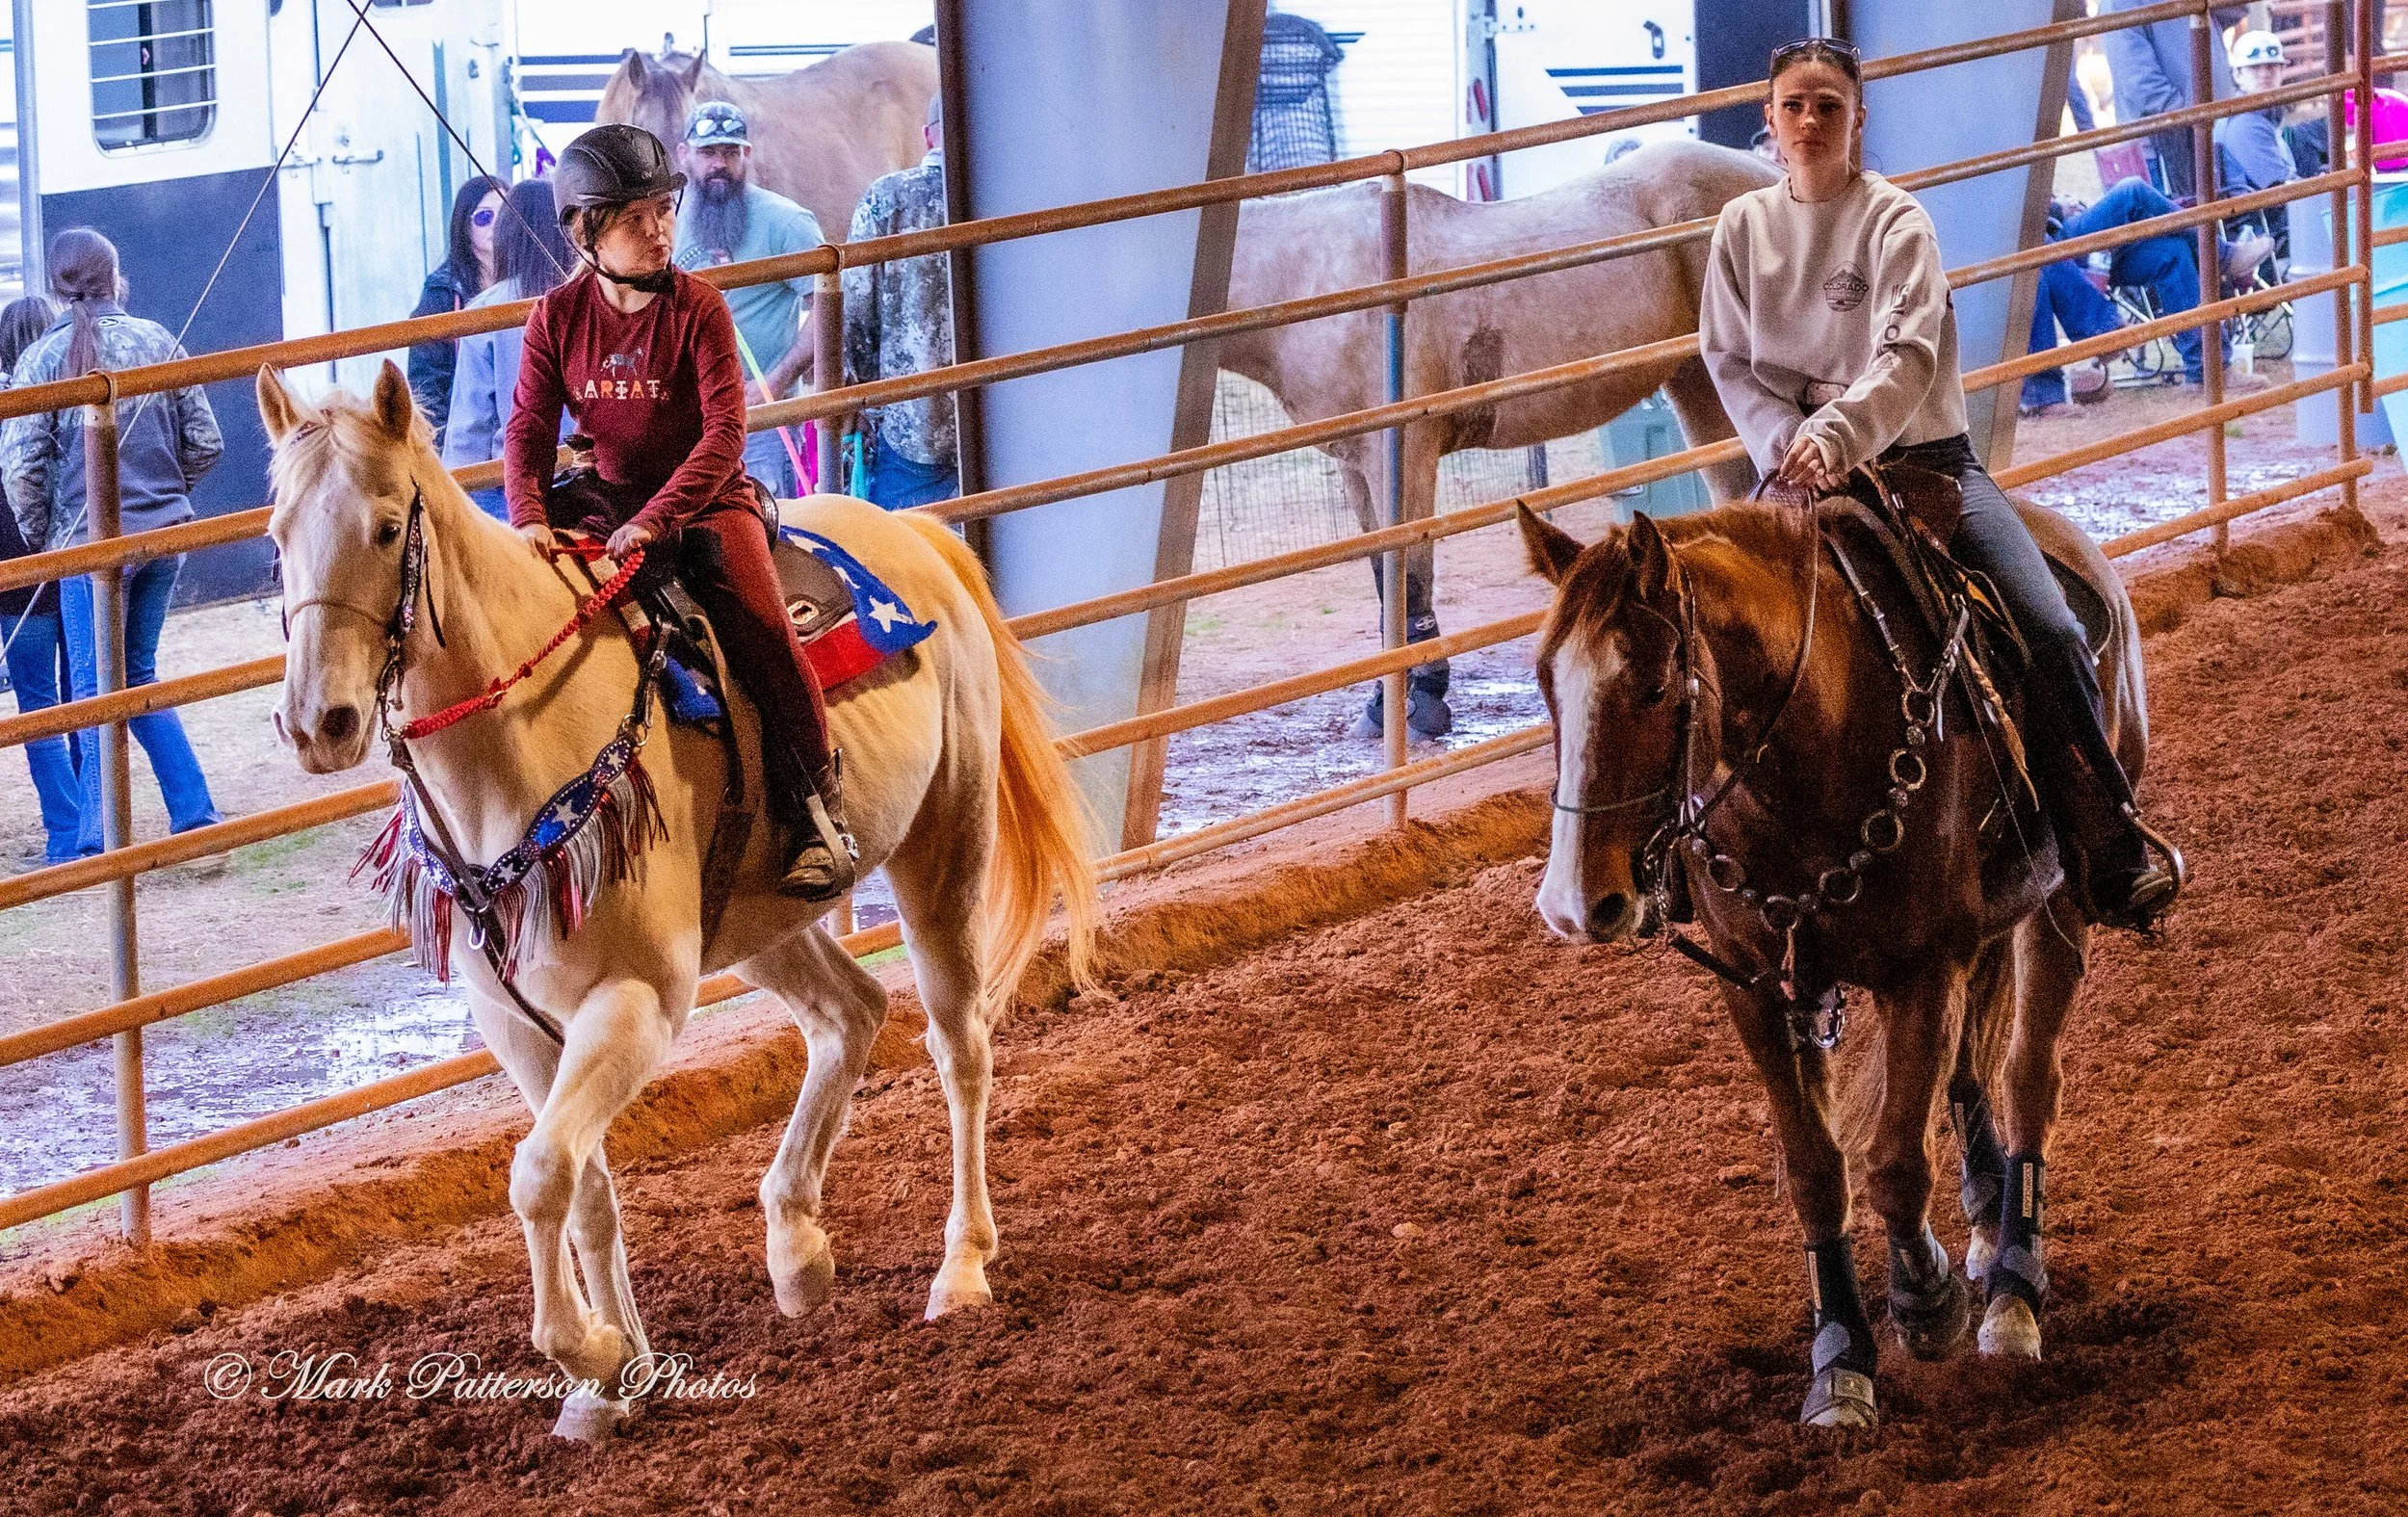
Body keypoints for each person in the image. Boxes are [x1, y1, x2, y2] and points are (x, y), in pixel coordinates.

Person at [1697, 39, 2182, 936]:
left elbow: (1908, 354)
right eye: (1794, 105)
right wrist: (1784, 444)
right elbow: (1725, 358)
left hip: (1923, 464)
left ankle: (2105, 842)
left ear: (1857, 121)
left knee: (2047, 625)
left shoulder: (1896, 224)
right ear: (1769, 118)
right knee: (1711, 642)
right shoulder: (1740, 230)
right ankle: (1692, 865)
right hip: (1793, 472)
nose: (1809, 122)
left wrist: (1832, 436)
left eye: (1828, 107)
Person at [504, 124, 854, 900]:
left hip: (705, 499)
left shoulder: (700, 308)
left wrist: (657, 518)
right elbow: (528, 429)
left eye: (665, 210)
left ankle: (817, 816)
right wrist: (528, 514)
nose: (661, 230)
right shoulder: (555, 319)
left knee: (763, 632)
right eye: (637, 218)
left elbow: (727, 435)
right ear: (586, 230)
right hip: (607, 501)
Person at [2, 229, 224, 856]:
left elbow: (21, 471)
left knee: (98, 692)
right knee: (138, 673)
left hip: (91, 552)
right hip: (165, 538)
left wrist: (52, 542)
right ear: (115, 277)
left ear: (54, 286)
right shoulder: (156, 339)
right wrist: (163, 497)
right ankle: (194, 811)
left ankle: (100, 837)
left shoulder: (41, 362)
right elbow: (207, 441)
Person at [672, 102, 824, 500]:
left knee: (771, 529)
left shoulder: (786, 221)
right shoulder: (661, 226)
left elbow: (826, 304)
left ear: (747, 155)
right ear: (683, 154)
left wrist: (777, 380)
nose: (719, 163)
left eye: (730, 152)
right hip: (684, 419)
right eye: (708, 153)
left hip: (759, 418)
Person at [2043, 180, 2272, 393]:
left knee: (2173, 254)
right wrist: (2056, 209)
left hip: (2074, 241)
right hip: (2055, 239)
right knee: (2132, 191)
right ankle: (2222, 254)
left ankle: (2207, 370)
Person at [845, 95, 961, 510]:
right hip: (1007, 419)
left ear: (928, 136)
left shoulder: (888, 198)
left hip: (915, 422)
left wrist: (855, 395)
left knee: (906, 556)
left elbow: (855, 309)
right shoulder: (1017, 194)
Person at [0, 295, 81, 864]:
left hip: (15, 576)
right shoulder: (75, 400)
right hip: (74, 567)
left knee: (39, 706)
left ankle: (66, 830)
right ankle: (94, 823)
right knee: (83, 698)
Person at [445, 177, 575, 518]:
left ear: (506, 236)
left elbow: (470, 430)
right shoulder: (593, 297)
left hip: (512, 488)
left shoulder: (486, 311)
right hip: (588, 477)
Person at [2102, 1, 2247, 198]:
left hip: (2209, 125)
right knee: (2183, 219)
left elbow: (2234, 8)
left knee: (2220, 216)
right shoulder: (2119, 3)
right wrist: (2187, 115)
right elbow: (2137, 81)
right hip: (2166, 140)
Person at [408, 175, 508, 449]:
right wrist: (443, 452)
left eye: (507, 214)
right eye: (484, 217)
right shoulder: (441, 293)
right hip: (463, 437)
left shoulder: (530, 282)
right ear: (464, 226)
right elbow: (426, 387)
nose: (496, 225)